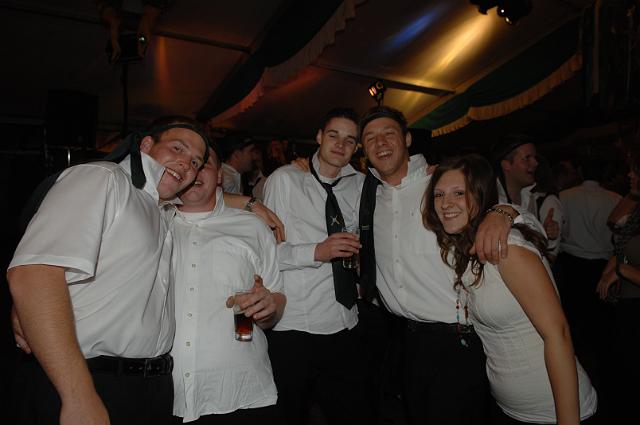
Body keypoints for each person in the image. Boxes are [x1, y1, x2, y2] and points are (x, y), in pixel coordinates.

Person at [8, 115, 208, 425]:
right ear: (145, 144)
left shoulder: (162, 211)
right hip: (87, 380)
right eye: (178, 148)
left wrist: (249, 203)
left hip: (148, 389)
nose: (186, 163)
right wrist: (78, 396)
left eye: (195, 162)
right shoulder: (103, 178)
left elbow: (212, 202)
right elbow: (34, 273)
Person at [357, 106, 543, 425]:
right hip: (407, 340)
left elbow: (529, 227)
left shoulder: (441, 181)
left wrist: (505, 214)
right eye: (370, 137)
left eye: (389, 133)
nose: (380, 143)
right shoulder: (366, 196)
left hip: (460, 338)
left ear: (407, 138)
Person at [423, 154, 597, 424]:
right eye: (438, 194)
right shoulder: (465, 249)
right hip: (508, 409)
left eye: (459, 193)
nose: (445, 203)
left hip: (552, 411)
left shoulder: (508, 249)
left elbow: (558, 334)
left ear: (480, 195)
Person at [263, 107, 368, 425]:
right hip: (296, 325)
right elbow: (268, 253)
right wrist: (317, 252)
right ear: (319, 136)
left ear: (357, 147)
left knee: (348, 412)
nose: (341, 144)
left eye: (349, 140)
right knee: (290, 413)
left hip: (345, 321)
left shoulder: (361, 184)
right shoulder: (285, 180)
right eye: (334, 135)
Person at [171, 143, 285, 424]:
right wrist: (249, 200)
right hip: (164, 390)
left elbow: (277, 299)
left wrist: (269, 306)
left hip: (238, 388)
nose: (195, 171)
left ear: (220, 174)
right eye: (188, 165)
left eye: (203, 164)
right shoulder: (155, 222)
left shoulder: (253, 227)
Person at [596, 155, 640, 424]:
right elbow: (614, 224)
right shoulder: (635, 209)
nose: (629, 176)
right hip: (626, 304)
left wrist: (621, 270)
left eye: (636, 172)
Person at [490, 134, 561, 257]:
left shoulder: (530, 199)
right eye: (527, 158)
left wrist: (547, 236)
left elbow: (538, 251)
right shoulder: (491, 202)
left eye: (534, 157)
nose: (536, 163)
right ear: (506, 165)